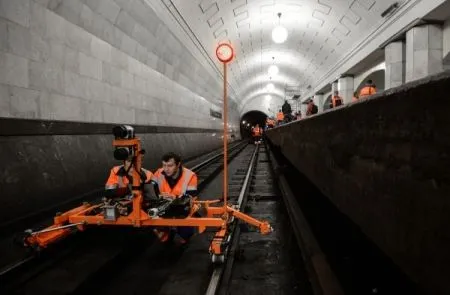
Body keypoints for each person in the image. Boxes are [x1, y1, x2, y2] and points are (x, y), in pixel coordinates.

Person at [152, 152, 198, 245]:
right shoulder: (158, 173)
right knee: (152, 220)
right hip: (164, 207)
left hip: (183, 209)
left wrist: (175, 198)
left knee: (185, 235)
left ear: (178, 165)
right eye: (164, 165)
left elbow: (191, 197)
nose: (166, 169)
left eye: (170, 166)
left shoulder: (190, 176)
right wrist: (159, 196)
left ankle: (181, 234)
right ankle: (166, 235)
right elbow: (151, 191)